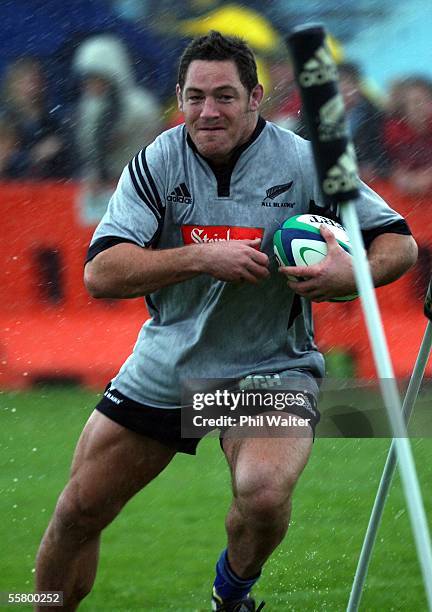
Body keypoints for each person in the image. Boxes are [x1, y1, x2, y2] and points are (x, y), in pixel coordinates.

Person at [35, 31, 417, 611]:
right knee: (77, 512)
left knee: (262, 497)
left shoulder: (308, 160)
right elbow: (101, 273)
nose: (207, 111)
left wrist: (349, 273)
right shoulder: (158, 160)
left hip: (268, 368)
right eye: (194, 97)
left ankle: (230, 595)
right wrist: (200, 256)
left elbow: (400, 243)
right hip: (168, 364)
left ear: (255, 97)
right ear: (179, 98)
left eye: (223, 96)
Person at [0, 56, 70, 179]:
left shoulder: (54, 121)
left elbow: (67, 161)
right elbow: (4, 161)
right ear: (12, 85)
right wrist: (35, 155)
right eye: (23, 82)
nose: (30, 88)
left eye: (34, 81)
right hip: (12, 190)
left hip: (51, 188)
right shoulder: (5, 121)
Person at [383, 75, 432, 196]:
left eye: (425, 101)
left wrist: (425, 179)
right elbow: (394, 164)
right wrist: (403, 178)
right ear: (403, 109)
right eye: (414, 103)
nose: (419, 108)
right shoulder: (394, 130)